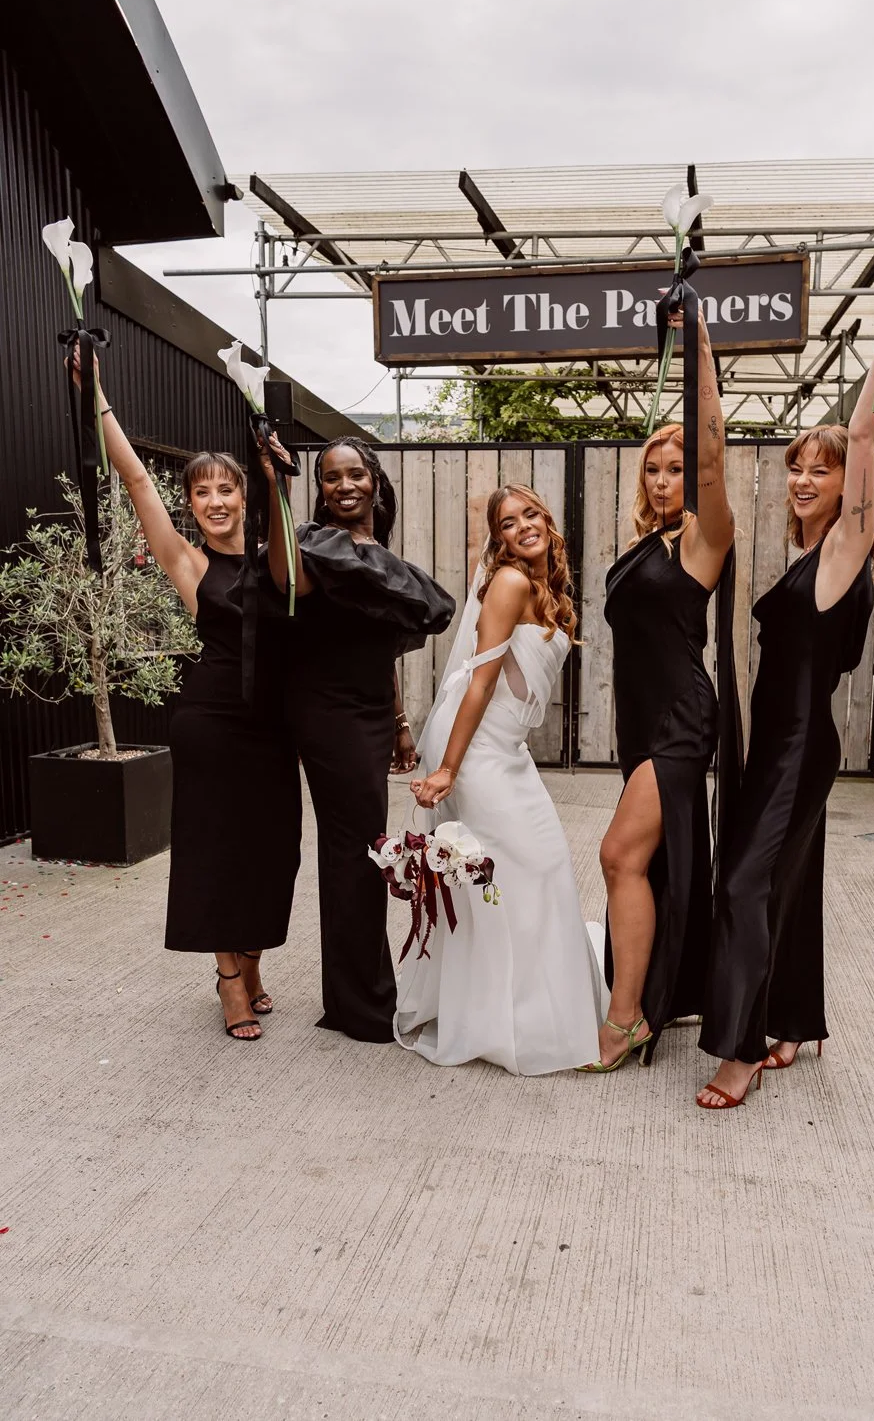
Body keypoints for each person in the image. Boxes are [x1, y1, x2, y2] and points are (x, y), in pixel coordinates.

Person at [696, 279, 874, 1109]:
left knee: (745, 885)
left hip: (796, 748)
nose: (802, 479)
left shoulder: (847, 551)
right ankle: (793, 1021)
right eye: (797, 465)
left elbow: (866, 430)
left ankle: (741, 1051)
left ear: (847, 488)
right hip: (784, 745)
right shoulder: (811, 560)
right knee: (786, 880)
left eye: (819, 471)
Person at [76, 354, 300, 1041]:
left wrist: (273, 468)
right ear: (192, 505)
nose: (215, 500)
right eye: (201, 492)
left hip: (272, 726)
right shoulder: (188, 561)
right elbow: (135, 476)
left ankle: (253, 956)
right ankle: (230, 976)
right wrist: (96, 395)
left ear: (242, 495)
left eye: (225, 488)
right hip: (211, 720)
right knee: (216, 848)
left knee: (273, 849)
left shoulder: (276, 552)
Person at [396, 484, 602, 1075]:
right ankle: (513, 1019)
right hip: (476, 746)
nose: (523, 528)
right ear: (499, 539)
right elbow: (479, 683)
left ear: (547, 519)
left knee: (526, 869)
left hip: (504, 745)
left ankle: (528, 1006)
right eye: (508, 524)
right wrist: (447, 769)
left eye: (531, 514)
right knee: (520, 866)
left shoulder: (551, 589)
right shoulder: (510, 584)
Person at [261, 436, 454, 1044]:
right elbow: (285, 577)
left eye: (355, 475)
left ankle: (363, 994)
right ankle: (360, 1004)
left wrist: (399, 723)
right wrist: (275, 488)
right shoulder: (315, 548)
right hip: (328, 713)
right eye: (330, 478)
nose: (344, 486)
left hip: (372, 714)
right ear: (317, 489)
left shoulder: (378, 555)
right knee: (356, 853)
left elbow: (386, 649)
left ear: (374, 480)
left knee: (364, 849)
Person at [582, 306, 735, 1072]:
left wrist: (700, 344)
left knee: (619, 856)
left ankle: (623, 1020)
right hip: (640, 719)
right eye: (655, 467)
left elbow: (713, 455)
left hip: (679, 716)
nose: (668, 478)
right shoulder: (648, 541)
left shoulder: (705, 538)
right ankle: (654, 997)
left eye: (677, 469)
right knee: (647, 863)